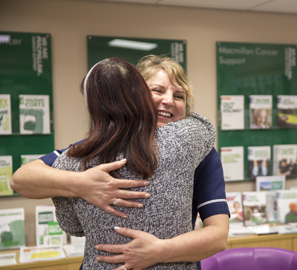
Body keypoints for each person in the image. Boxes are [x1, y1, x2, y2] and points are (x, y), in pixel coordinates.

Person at [11, 55, 229, 270]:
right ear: (135, 96)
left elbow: (218, 236)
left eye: (179, 96)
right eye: (157, 91)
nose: (169, 101)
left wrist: (158, 251)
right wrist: (82, 184)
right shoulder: (86, 153)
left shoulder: (200, 153)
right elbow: (21, 179)